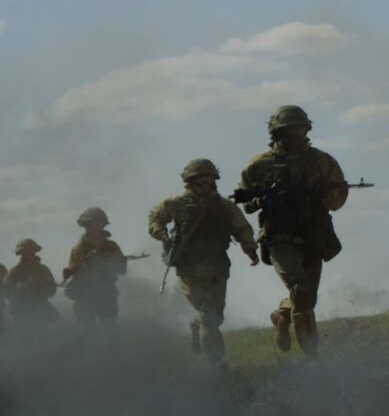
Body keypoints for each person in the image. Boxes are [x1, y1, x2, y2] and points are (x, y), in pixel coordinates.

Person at [237, 105, 348, 359]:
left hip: (313, 235)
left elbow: (337, 200)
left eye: (302, 129)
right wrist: (263, 198)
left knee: (306, 297)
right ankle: (312, 358)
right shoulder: (258, 166)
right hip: (279, 237)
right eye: (292, 130)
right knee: (300, 290)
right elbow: (246, 203)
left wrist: (322, 192)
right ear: (278, 133)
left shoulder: (321, 161)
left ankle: (282, 316)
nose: (298, 135)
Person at [149, 158, 259, 370]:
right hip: (189, 269)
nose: (205, 186)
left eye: (209, 181)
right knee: (209, 314)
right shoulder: (177, 204)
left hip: (218, 267)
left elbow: (242, 227)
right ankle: (217, 360)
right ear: (189, 183)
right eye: (200, 182)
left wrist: (250, 249)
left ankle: (195, 325)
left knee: (215, 316)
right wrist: (162, 235)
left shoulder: (224, 207)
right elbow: (155, 217)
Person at [62, 207, 126, 342]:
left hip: (106, 294)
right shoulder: (78, 249)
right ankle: (87, 360)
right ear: (86, 225)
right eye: (94, 223)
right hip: (85, 295)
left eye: (100, 223)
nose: (98, 226)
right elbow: (72, 274)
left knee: (111, 330)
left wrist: (110, 262)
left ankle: (116, 359)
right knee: (89, 333)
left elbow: (122, 270)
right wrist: (88, 265)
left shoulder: (112, 246)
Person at [5, 238, 59, 340]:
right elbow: (7, 292)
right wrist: (24, 286)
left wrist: (40, 284)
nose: (28, 254)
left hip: (39, 311)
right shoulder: (14, 271)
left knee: (43, 342)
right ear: (20, 253)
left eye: (31, 250)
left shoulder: (43, 270)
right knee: (25, 344)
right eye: (25, 252)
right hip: (20, 312)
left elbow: (52, 291)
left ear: (35, 251)